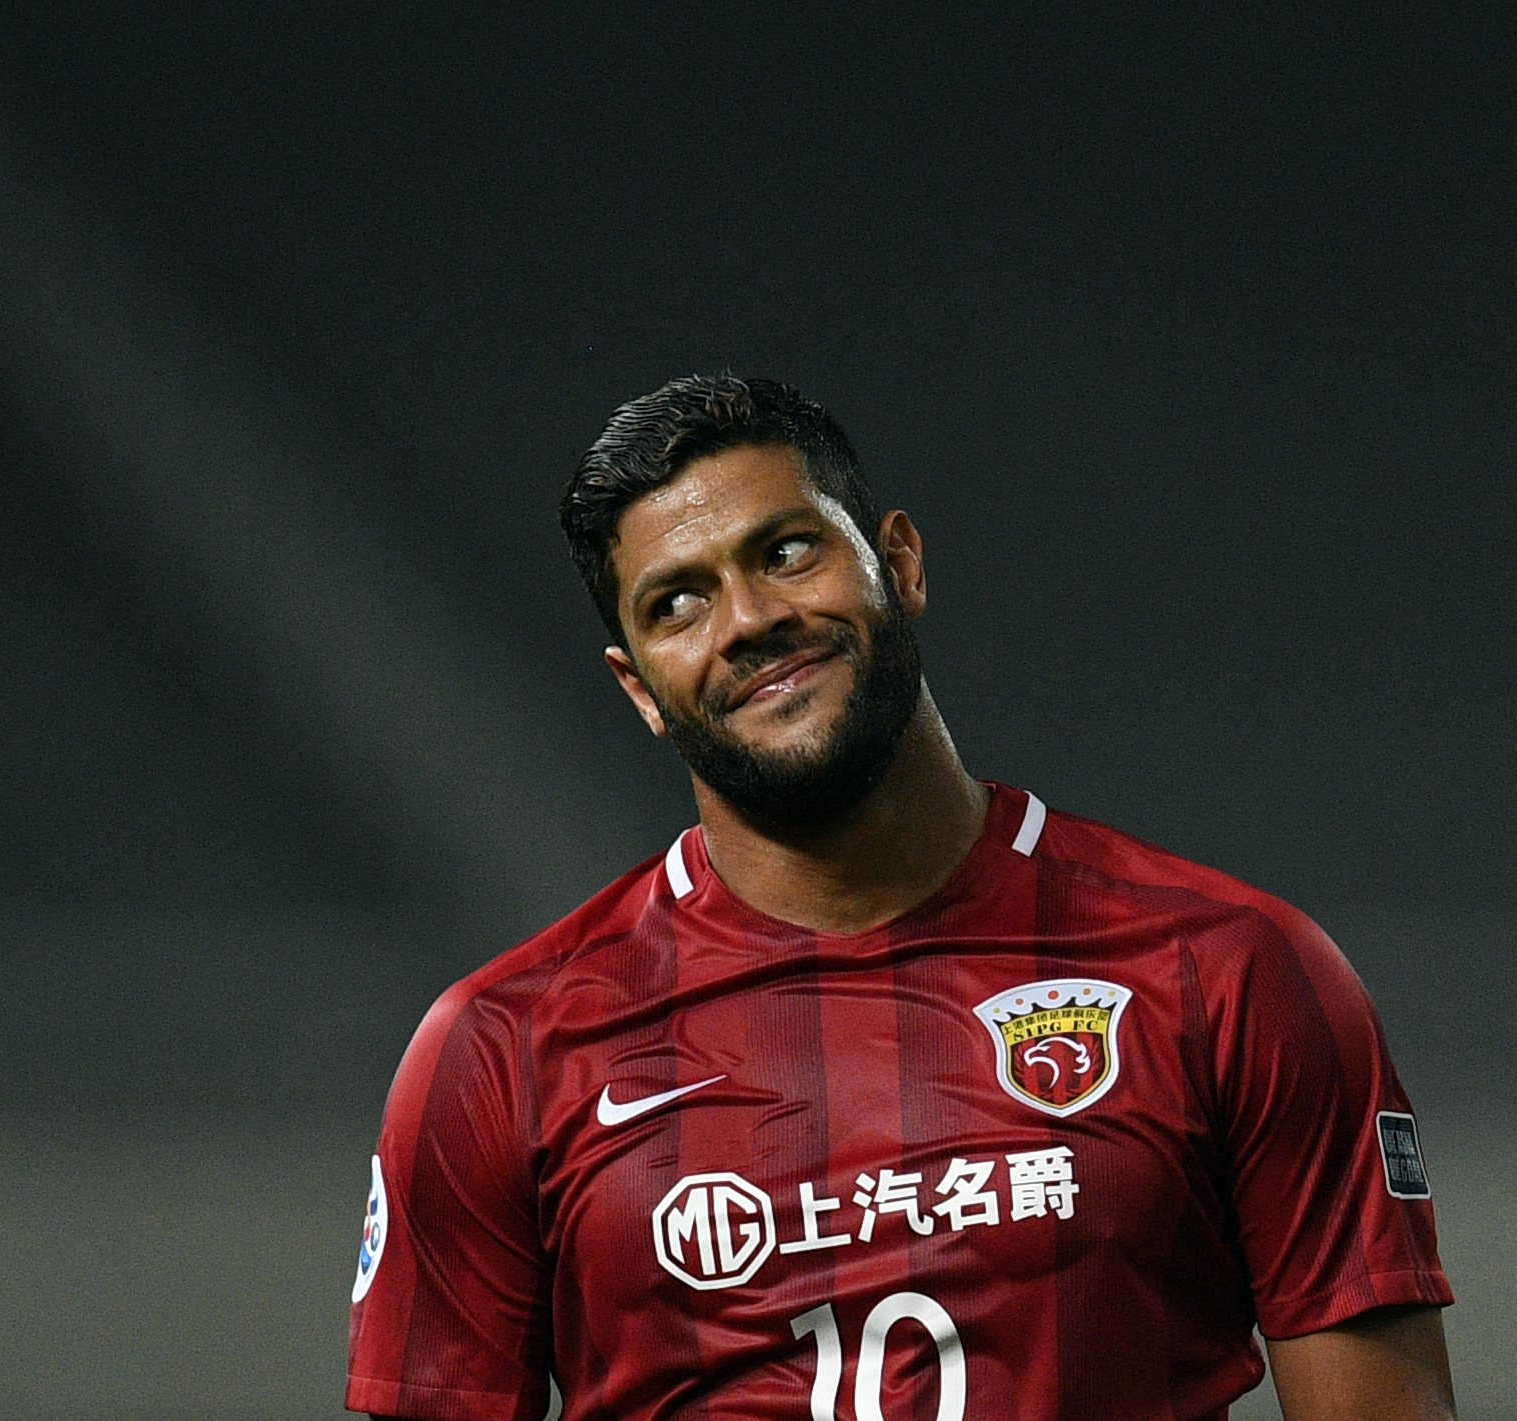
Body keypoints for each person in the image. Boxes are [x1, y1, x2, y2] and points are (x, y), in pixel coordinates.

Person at [344, 376, 1456, 1421]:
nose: (745, 619)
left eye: (784, 551)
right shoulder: (501, 1049)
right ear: (637, 685)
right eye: (677, 601)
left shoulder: (1230, 967)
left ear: (899, 562)